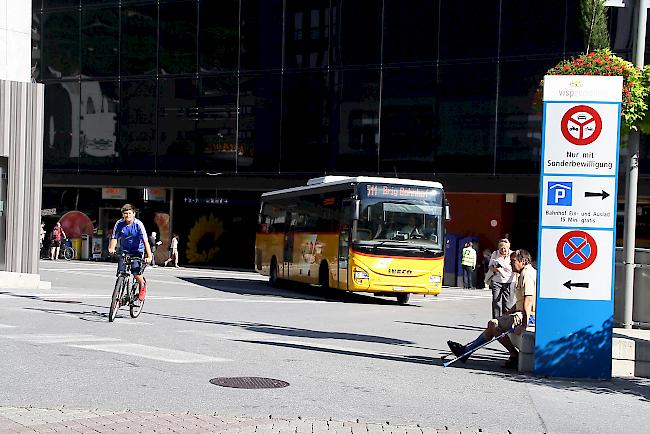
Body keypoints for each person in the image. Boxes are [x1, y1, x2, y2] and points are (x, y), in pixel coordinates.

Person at [446, 249, 536, 369]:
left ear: (523, 261)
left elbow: (528, 300)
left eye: (513, 261)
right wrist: (509, 312)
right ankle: (466, 351)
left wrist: (524, 324)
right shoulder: (524, 273)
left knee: (493, 324)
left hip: (528, 316)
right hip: (520, 313)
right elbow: (521, 301)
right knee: (494, 326)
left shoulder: (527, 274)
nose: (510, 263)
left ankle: (512, 355)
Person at [108, 204, 152, 301]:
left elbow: (145, 241)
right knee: (121, 272)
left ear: (134, 214)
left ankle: (142, 285)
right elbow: (114, 237)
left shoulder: (138, 225)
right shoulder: (119, 224)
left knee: (136, 273)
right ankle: (118, 292)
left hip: (137, 251)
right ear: (123, 215)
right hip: (125, 250)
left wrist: (149, 256)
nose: (127, 215)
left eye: (129, 213)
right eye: (125, 213)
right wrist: (112, 248)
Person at [489, 239, 514, 318]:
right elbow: (490, 266)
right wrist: (495, 269)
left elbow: (516, 268)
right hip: (497, 280)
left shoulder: (513, 254)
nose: (503, 250)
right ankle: (496, 322)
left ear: (508, 248)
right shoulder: (495, 254)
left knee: (508, 304)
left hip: (509, 281)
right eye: (501, 248)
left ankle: (507, 322)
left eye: (505, 248)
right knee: (496, 302)